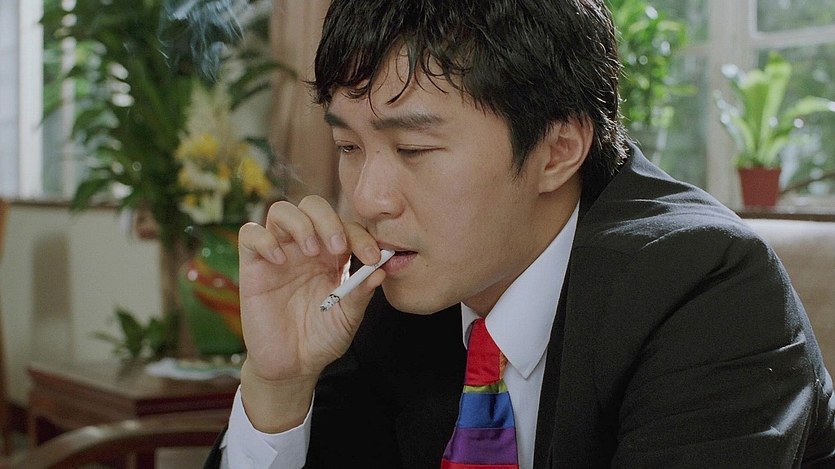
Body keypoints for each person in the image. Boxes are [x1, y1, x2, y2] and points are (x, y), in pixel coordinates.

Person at [205, 0, 835, 467]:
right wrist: (278, 385)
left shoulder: (704, 287)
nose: (367, 198)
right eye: (348, 146)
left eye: (414, 149)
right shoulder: (389, 298)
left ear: (558, 149)